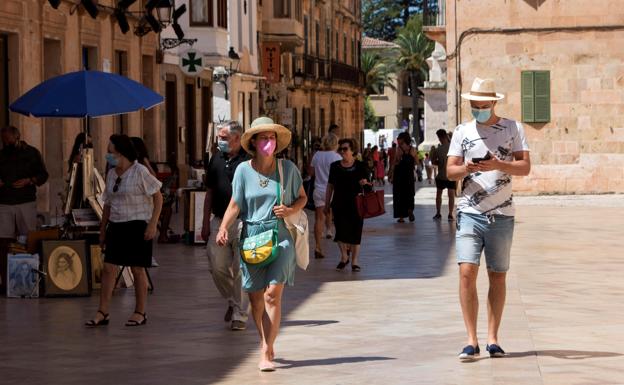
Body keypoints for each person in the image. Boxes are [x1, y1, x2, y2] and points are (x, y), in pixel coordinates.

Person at [447, 77, 530, 360]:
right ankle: (471, 340)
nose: (478, 109)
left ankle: (493, 338)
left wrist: (498, 164)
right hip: (469, 212)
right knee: (466, 273)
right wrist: (467, 168)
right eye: (474, 105)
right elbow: (450, 171)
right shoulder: (462, 131)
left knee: (497, 275)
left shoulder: (512, 128)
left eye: (483, 105)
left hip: (502, 214)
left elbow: (524, 166)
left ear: (494, 102)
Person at [216, 117, 306, 372]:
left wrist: (289, 209)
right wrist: (223, 227)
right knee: (256, 300)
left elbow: (302, 198)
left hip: (280, 238)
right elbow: (235, 204)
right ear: (254, 142)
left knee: (272, 295)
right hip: (252, 238)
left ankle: (267, 351)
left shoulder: (287, 168)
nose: (269, 142)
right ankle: (265, 340)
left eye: (272, 137)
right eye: (264, 138)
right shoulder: (244, 170)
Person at [86, 134, 163, 328]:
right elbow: (108, 204)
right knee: (108, 268)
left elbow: (158, 197)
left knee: (137, 269)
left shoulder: (140, 171)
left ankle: (140, 312)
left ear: (122, 153)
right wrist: (103, 230)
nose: (108, 156)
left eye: (110, 152)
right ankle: (102, 311)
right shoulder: (112, 174)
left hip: (138, 225)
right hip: (117, 225)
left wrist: (153, 223)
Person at [201, 121, 250, 331]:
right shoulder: (215, 160)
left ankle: (240, 313)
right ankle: (233, 299)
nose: (219, 142)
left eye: (224, 138)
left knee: (241, 268)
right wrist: (204, 222)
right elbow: (210, 192)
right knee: (216, 266)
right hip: (220, 220)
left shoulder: (249, 161)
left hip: (244, 221)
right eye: (219, 137)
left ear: (238, 138)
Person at [325, 138, 369, 272]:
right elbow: (330, 186)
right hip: (339, 204)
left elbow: (368, 187)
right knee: (341, 232)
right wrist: (327, 203)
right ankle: (344, 257)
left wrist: (365, 184)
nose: (342, 152)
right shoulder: (335, 166)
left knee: (356, 232)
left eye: (345, 149)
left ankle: (355, 261)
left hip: (357, 204)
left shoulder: (361, 166)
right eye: (341, 149)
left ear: (352, 151)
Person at [0, 126, 48, 241]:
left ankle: (28, 259)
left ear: (17, 137)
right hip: (4, 202)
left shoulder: (32, 153)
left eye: (8, 139)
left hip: (26, 201)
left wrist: (30, 180)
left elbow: (43, 175)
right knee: (4, 238)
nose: (6, 143)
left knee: (28, 238)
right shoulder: (1, 154)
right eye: (3, 140)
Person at [309, 133, 341, 259]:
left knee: (319, 219)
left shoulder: (317, 155)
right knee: (338, 218)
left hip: (319, 190)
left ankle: (317, 246)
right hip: (333, 191)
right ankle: (344, 248)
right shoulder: (336, 157)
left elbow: (311, 172)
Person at [389, 132, 416, 223]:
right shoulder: (413, 149)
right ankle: (410, 210)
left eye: (399, 138)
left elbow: (395, 162)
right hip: (409, 175)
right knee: (410, 193)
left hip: (399, 175)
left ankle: (401, 217)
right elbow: (416, 162)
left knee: (399, 195)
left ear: (403, 139)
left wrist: (391, 174)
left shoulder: (399, 149)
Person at [431, 129, 457, 221]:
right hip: (451, 175)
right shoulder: (453, 147)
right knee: (451, 195)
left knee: (439, 195)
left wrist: (433, 153)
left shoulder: (438, 149)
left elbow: (433, 162)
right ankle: (450, 214)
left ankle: (438, 213)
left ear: (439, 138)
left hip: (441, 175)